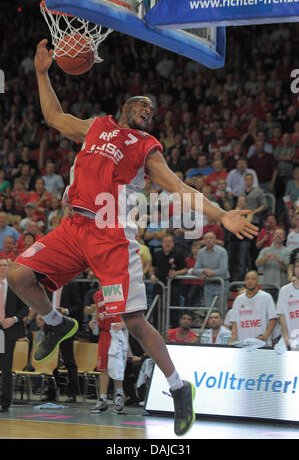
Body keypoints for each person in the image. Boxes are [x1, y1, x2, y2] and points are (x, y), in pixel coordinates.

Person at [8, 40, 258, 436]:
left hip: (111, 236)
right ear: (125, 107)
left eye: (153, 111)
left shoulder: (146, 148)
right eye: (143, 106)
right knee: (18, 276)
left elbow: (180, 189)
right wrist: (42, 72)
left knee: (134, 321)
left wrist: (222, 214)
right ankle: (56, 323)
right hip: (73, 227)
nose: (148, 112)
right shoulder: (95, 127)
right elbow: (54, 116)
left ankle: (179, 389)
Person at [89, 289, 126, 413]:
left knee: (117, 366)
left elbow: (130, 311)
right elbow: (97, 311)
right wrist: (93, 321)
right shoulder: (98, 295)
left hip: (116, 332)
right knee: (103, 368)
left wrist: (123, 323)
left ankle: (119, 396)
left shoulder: (119, 290)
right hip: (104, 334)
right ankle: (102, 399)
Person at [0, 258, 29, 412]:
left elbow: (26, 306)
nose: (3, 268)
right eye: (0, 265)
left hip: (9, 330)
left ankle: (5, 401)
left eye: (5, 265)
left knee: (6, 367)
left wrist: (14, 319)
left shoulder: (15, 285)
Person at [229, 271, 277, 346]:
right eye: (247, 279)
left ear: (258, 281)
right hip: (243, 342)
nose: (250, 281)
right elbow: (234, 321)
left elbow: (273, 319)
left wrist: (266, 336)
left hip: (261, 343)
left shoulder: (266, 297)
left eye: (253, 279)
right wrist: (233, 336)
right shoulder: (238, 299)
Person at [187, 232, 230, 308]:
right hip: (208, 284)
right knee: (208, 309)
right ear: (203, 241)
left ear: (215, 240)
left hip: (222, 283)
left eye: (211, 238)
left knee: (222, 309)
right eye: (206, 238)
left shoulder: (222, 251)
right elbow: (196, 269)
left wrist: (211, 273)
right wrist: (204, 271)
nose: (209, 240)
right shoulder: (201, 252)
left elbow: (223, 269)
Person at [276, 256, 299, 347]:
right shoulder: (284, 290)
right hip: (290, 337)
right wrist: (285, 335)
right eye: (297, 266)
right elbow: (281, 315)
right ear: (293, 269)